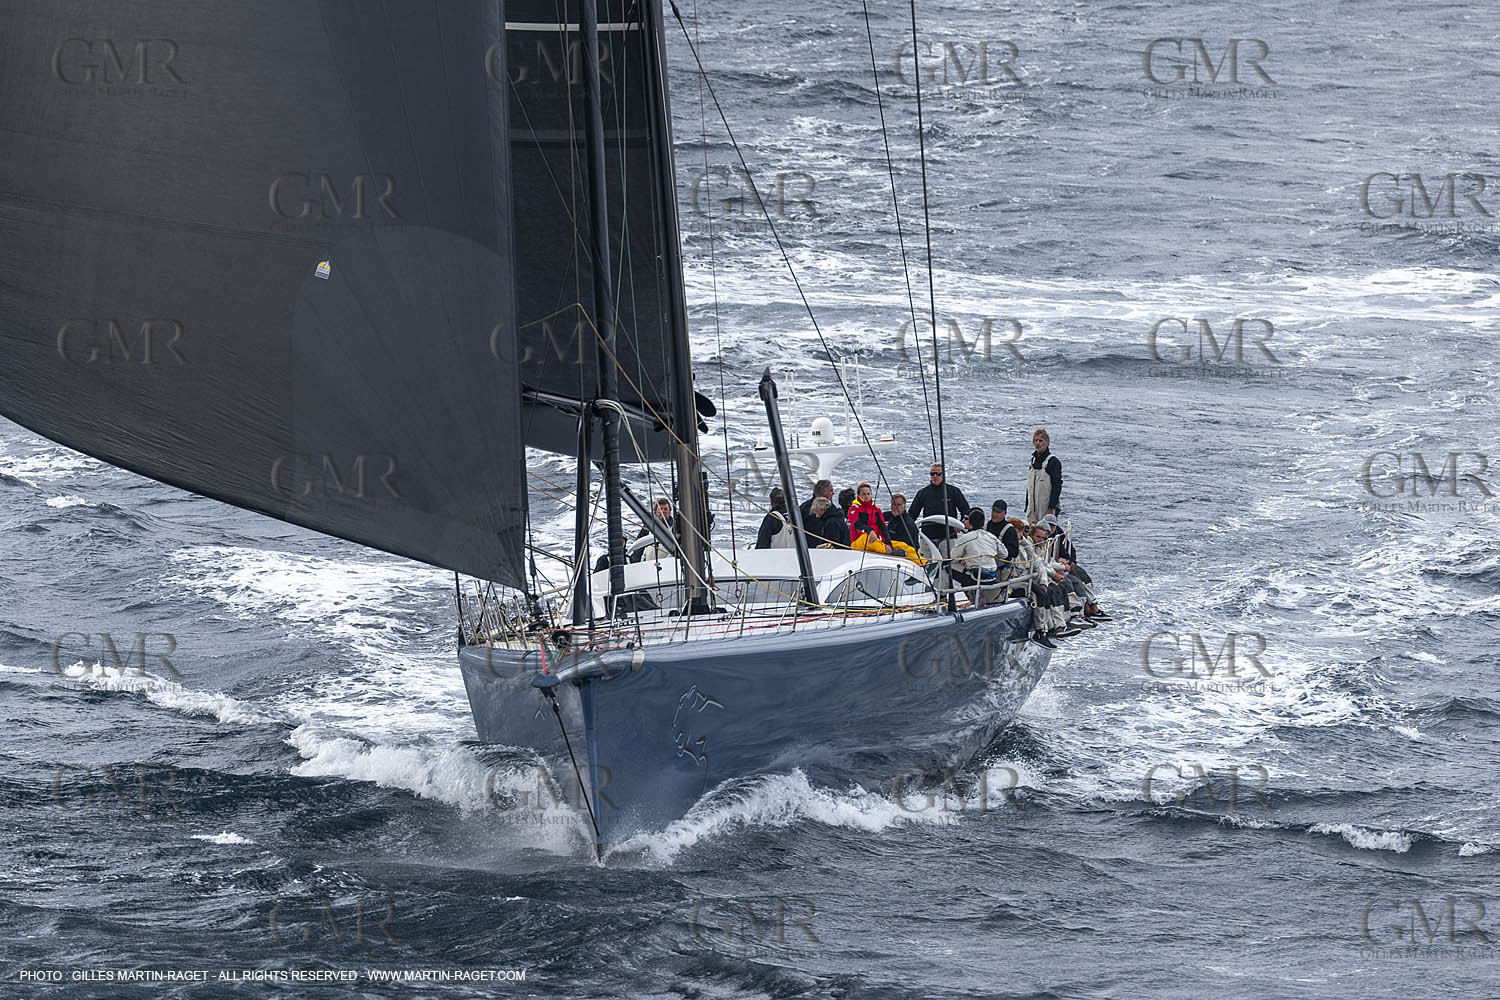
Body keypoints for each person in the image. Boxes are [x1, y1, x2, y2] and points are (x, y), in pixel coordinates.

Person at [1040, 514, 1111, 622]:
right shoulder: (1041, 541)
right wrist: (1062, 567)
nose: (1049, 529)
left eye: (1052, 526)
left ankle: (1092, 606)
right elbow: (1042, 563)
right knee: (1070, 583)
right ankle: (1076, 614)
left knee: (1082, 575)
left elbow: (1068, 553)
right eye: (1047, 526)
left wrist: (1068, 561)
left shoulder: (1058, 535)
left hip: (1058, 565)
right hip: (1051, 569)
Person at [909, 463, 971, 545]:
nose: (935, 476)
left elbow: (965, 510)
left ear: (943, 475)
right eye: (932, 474)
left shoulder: (953, 491)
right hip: (927, 537)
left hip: (949, 537)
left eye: (938, 474)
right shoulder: (923, 493)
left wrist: (960, 524)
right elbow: (912, 514)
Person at [947, 508, 1002, 598]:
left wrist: (966, 558)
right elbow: (1004, 554)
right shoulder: (991, 537)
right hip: (992, 577)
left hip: (976, 577)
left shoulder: (966, 538)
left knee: (945, 567)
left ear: (970, 522)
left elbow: (952, 557)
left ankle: (943, 597)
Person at [1025, 428, 1062, 523]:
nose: (1038, 443)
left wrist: (1051, 508)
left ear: (1047, 443)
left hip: (1046, 508)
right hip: (1032, 508)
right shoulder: (1032, 461)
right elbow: (1029, 487)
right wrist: (1027, 506)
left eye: (1041, 441)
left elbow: (1057, 487)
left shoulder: (1053, 462)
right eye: (1036, 440)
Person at [846, 481, 889, 553]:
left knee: (903, 546)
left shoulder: (876, 510)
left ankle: (913, 558)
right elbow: (856, 524)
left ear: (871, 495)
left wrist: (888, 543)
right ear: (858, 496)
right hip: (859, 542)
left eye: (868, 494)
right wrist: (869, 531)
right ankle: (888, 552)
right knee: (866, 538)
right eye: (863, 494)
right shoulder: (854, 509)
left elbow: (883, 528)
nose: (866, 496)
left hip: (875, 541)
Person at [985, 500, 1020, 568]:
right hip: (985, 564)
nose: (994, 514)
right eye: (993, 511)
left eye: (998, 512)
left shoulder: (1009, 530)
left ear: (1005, 513)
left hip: (1002, 567)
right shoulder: (986, 525)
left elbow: (1014, 552)